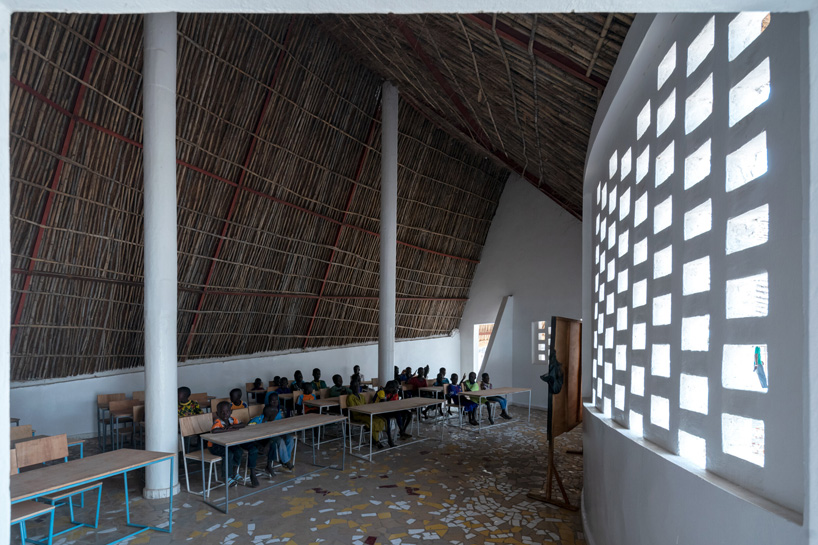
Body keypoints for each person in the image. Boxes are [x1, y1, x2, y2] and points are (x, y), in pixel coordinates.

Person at [210, 401, 258, 487]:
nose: (225, 414)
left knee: (238, 451)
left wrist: (232, 426)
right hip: (216, 446)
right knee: (229, 454)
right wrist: (226, 429)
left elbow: (242, 425)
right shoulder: (218, 421)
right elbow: (214, 430)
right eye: (222, 412)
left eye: (227, 411)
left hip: (228, 444)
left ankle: (235, 473)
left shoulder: (232, 420)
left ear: (231, 412)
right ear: (217, 413)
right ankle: (226, 477)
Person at [249, 403, 293, 475]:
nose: (276, 416)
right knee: (279, 441)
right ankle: (286, 461)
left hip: (271, 437)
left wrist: (282, 433)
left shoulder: (271, 421)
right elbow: (249, 432)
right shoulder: (257, 420)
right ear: (270, 415)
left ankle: (285, 459)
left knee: (290, 438)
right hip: (260, 440)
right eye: (275, 415)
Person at [347, 378, 392, 448]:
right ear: (352, 387)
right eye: (355, 386)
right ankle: (376, 441)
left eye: (358, 386)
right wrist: (364, 410)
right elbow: (353, 409)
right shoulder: (350, 397)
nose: (357, 388)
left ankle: (374, 439)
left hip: (365, 413)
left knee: (381, 420)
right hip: (357, 415)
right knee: (373, 422)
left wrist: (366, 410)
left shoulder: (361, 396)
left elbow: (366, 406)